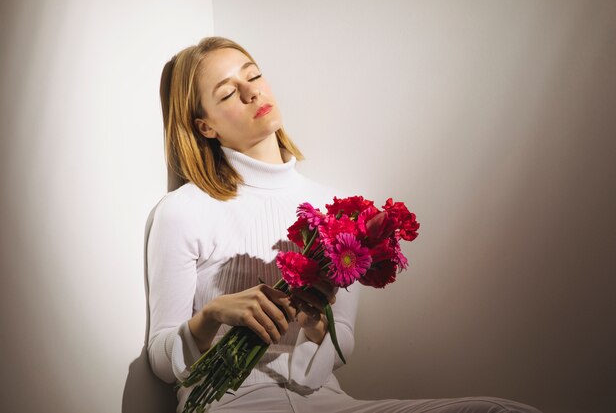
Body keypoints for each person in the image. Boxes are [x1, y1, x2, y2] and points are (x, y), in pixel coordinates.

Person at [147, 36, 542, 413]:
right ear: (206, 127)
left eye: (252, 75)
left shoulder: (334, 209)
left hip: (323, 401)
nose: (252, 92)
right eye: (229, 93)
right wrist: (213, 313)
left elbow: (342, 342)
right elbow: (161, 359)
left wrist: (316, 322)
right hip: (232, 402)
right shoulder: (183, 211)